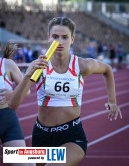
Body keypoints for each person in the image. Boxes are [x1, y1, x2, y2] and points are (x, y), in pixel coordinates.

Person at [9, 17, 122, 166]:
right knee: (12, 157)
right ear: (48, 37)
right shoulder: (38, 67)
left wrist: (112, 101)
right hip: (42, 135)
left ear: (72, 39)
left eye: (65, 37)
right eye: (55, 36)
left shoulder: (82, 65)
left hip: (72, 136)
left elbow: (107, 69)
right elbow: (13, 105)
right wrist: (28, 75)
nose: (60, 42)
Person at [0, 41, 35, 166]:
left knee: (23, 164)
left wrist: (12, 93)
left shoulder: (7, 64)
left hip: (7, 119)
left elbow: (27, 90)